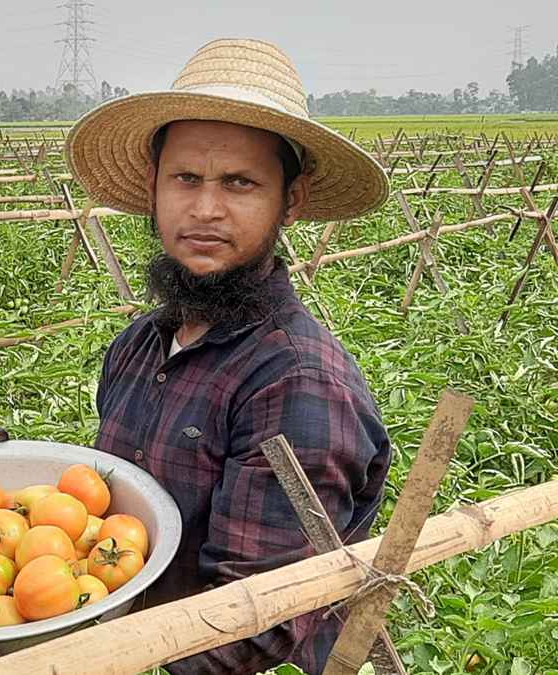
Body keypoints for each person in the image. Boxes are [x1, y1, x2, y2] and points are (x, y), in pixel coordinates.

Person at [72, 38, 393, 673]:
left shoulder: (295, 383)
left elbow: (249, 625)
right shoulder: (141, 345)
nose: (206, 209)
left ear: (290, 201)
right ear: (153, 185)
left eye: (240, 183)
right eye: (185, 178)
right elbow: (117, 518)